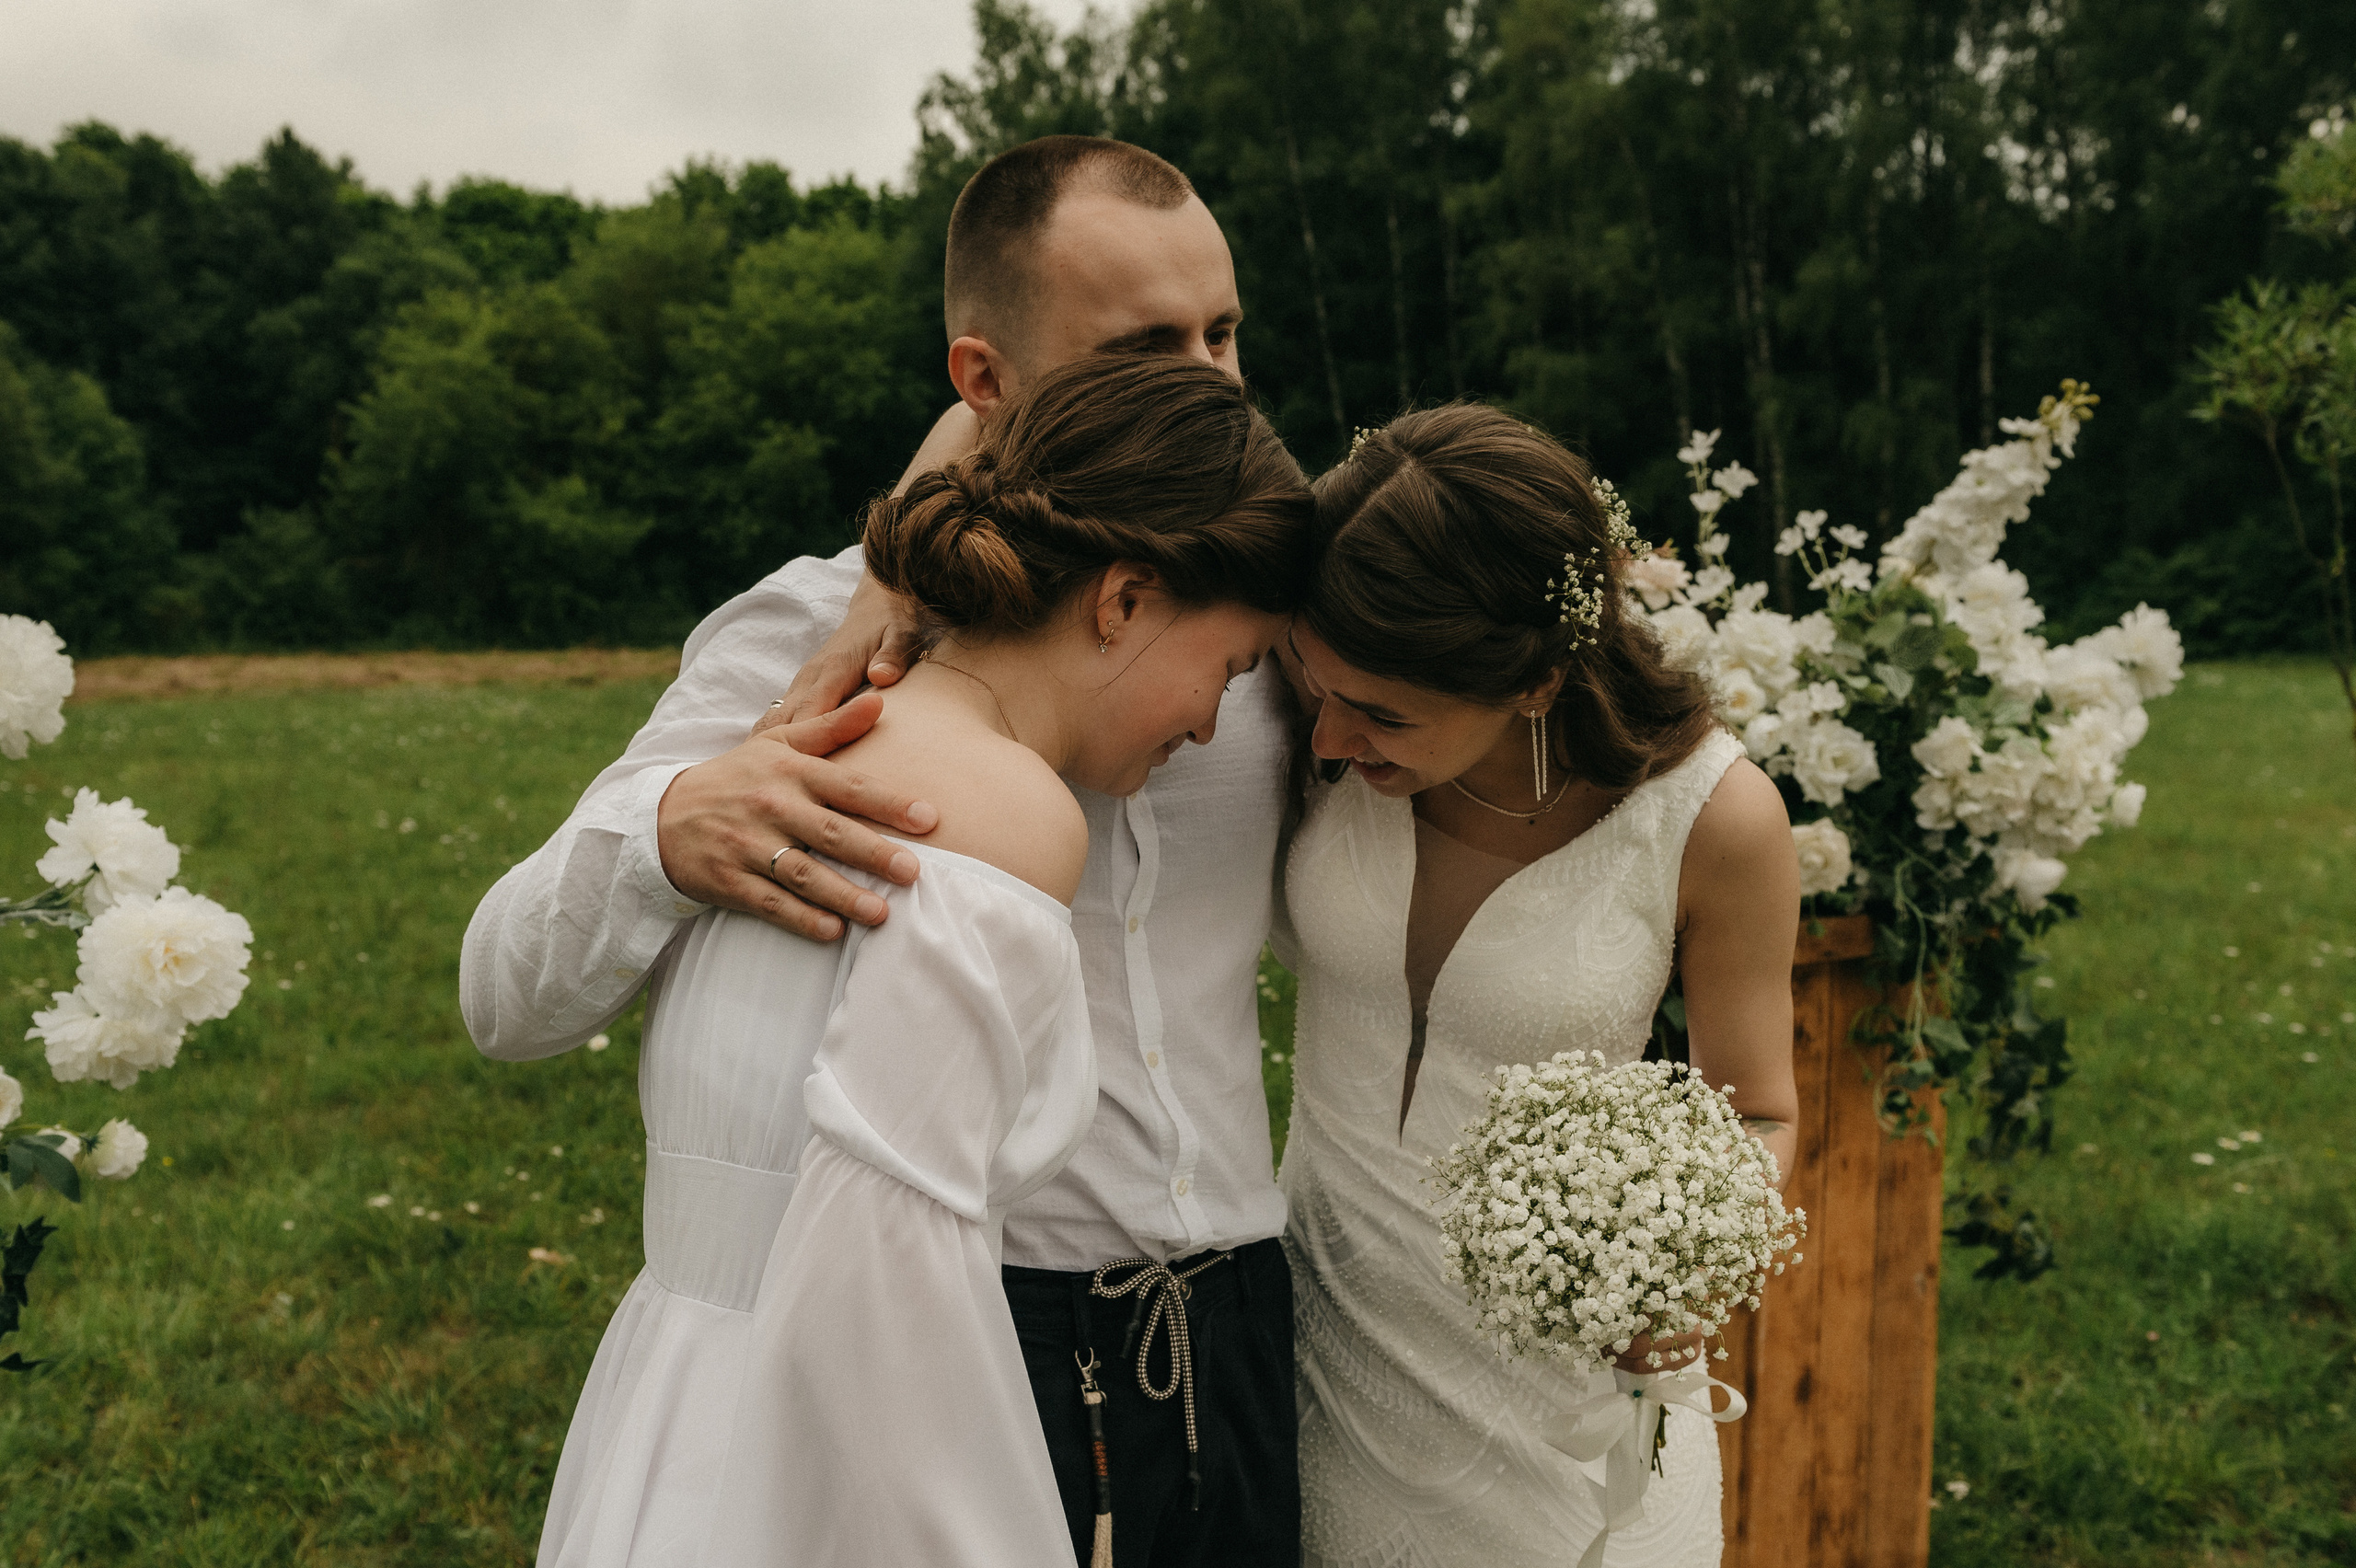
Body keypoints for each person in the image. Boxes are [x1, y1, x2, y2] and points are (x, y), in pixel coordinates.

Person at [463, 137, 1306, 1566]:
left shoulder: (1275, 619)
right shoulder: (813, 642)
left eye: (1222, 332)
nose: (1209, 381)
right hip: (966, 1331)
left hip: (1239, 1327)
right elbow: (502, 990)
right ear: (982, 379)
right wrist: (666, 833)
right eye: (1145, 345)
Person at [1272, 406, 1802, 1567]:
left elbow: (1758, 1106)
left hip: (1568, 1413)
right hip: (1321, 1377)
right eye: (1319, 687)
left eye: (1383, 715)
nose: (1326, 740)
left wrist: (1679, 1278)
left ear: (1536, 681)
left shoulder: (1713, 822)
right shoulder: (1318, 721)